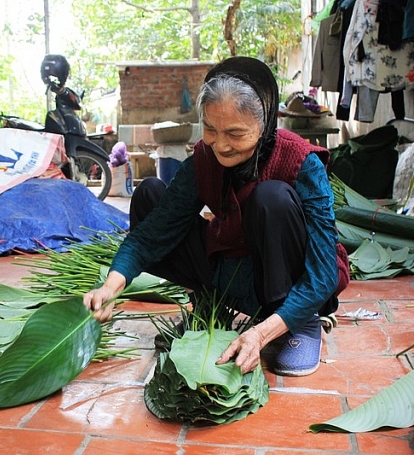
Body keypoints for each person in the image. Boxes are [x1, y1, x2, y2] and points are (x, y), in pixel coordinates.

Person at [83, 56, 350, 377]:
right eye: (211, 129)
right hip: (231, 267)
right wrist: (109, 288)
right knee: (149, 196)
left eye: (236, 133)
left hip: (285, 278)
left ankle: (301, 323)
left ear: (264, 124)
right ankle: (210, 302)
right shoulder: (204, 158)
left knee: (271, 198)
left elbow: (322, 272)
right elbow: (150, 236)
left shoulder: (300, 162)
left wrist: (262, 333)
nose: (221, 145)